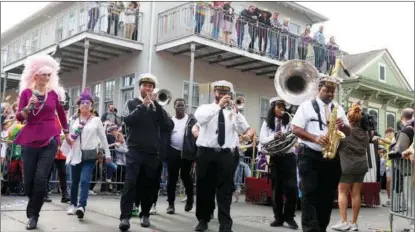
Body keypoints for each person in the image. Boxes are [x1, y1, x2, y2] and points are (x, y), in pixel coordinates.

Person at [14, 54, 72, 230]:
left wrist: (67, 133)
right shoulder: (26, 93)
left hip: (49, 140)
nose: (47, 78)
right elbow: (19, 117)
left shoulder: (53, 94)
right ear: (35, 75)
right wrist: (28, 107)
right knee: (28, 182)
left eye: (49, 75)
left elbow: (61, 114)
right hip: (29, 139)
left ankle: (33, 215)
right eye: (43, 74)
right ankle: (34, 204)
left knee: (40, 179)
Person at [291, 76, 351, 232]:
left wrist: (342, 125)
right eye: (327, 90)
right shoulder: (306, 106)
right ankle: (311, 229)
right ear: (319, 89)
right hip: (310, 155)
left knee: (327, 197)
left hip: (331, 157)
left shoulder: (337, 108)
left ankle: (321, 228)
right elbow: (295, 129)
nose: (330, 94)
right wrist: (315, 138)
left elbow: (348, 131)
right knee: (309, 195)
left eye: (333, 91)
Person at [193, 80, 255, 232]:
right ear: (214, 93)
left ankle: (225, 225)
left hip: (226, 155)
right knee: (204, 188)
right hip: (206, 153)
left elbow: (246, 128)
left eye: (225, 93)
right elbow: (201, 119)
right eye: (219, 92)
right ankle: (203, 219)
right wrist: (219, 106)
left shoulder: (233, 112)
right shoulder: (205, 108)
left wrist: (238, 116)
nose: (221, 95)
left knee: (225, 190)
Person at [119, 73, 173, 231]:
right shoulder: (131, 103)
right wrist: (143, 105)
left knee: (149, 185)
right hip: (134, 150)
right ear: (140, 88)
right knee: (130, 183)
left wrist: (158, 107)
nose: (147, 88)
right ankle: (125, 218)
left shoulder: (158, 108)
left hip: (152, 152)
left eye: (150, 86)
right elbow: (128, 120)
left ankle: (145, 214)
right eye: (145, 86)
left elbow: (168, 126)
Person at [62, 88, 111, 219]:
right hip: (75, 154)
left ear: (91, 106)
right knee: (74, 181)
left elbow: (103, 138)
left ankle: (81, 206)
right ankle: (72, 204)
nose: (85, 104)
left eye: (88, 103)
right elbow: (66, 135)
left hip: (89, 155)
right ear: (78, 105)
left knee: (84, 181)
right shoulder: (73, 119)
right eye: (82, 102)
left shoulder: (96, 120)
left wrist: (108, 154)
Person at [259, 96, 298, 229]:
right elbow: (262, 140)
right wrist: (274, 136)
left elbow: (294, 137)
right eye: (278, 107)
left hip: (289, 157)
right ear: (273, 108)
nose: (281, 110)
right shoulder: (267, 123)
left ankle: (289, 216)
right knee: (277, 190)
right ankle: (278, 217)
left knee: (292, 189)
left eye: (283, 107)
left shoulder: (290, 122)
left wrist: (286, 136)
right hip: (275, 158)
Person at [331, 102, 370, 231]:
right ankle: (354, 223)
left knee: (342, 192)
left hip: (346, 165)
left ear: (349, 118)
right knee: (356, 194)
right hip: (361, 165)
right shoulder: (365, 133)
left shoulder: (345, 131)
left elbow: (336, 145)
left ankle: (344, 221)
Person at [166, 98, 198, 214]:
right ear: (174, 107)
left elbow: (196, 135)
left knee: (186, 177)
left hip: (187, 152)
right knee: (172, 178)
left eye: (183, 105)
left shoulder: (191, 120)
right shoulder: (170, 120)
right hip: (173, 152)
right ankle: (170, 204)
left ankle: (190, 199)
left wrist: (195, 153)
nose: (181, 107)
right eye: (178, 105)